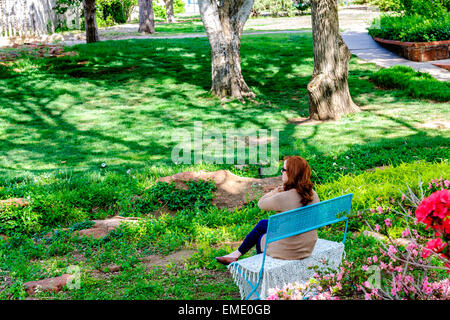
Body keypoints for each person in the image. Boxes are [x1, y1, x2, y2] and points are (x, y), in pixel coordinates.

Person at [215, 156, 320, 265]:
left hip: (291, 250)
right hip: (306, 246)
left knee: (261, 238)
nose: (281, 172)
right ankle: (235, 255)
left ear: (292, 173)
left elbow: (261, 203)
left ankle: (261, 273)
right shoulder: (312, 194)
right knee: (263, 224)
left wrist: (279, 189)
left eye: (283, 170)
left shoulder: (282, 197)